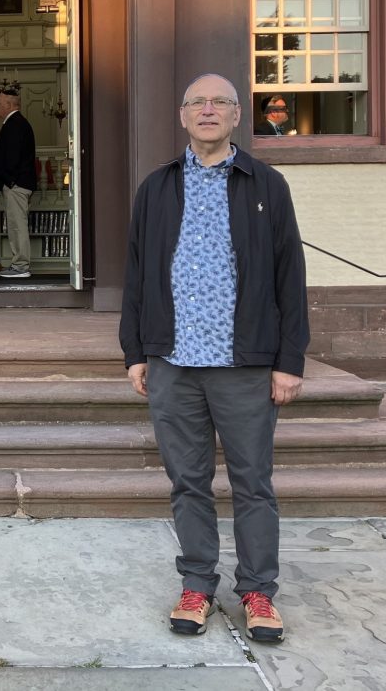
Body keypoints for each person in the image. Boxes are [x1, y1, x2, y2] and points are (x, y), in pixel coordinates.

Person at [120, 73, 309, 644]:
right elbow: (137, 275)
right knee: (188, 482)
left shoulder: (266, 185)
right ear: (182, 117)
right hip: (174, 361)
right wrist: (136, 351)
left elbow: (289, 277)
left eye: (220, 103)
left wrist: (289, 360)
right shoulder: (156, 187)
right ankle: (198, 584)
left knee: (253, 483)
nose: (207, 110)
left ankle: (257, 591)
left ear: (235, 117)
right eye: (197, 103)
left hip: (245, 365)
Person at [0, 89, 36, 279]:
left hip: (16, 184)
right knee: (16, 224)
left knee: (17, 225)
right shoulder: (17, 123)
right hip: (17, 182)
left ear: (9, 105)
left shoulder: (15, 124)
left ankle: (21, 266)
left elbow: (12, 157)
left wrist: (9, 181)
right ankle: (19, 264)